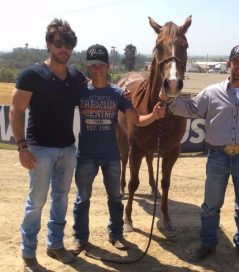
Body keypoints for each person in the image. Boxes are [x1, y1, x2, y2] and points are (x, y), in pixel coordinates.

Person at [160, 44, 239, 266]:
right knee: (211, 205)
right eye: (237, 61)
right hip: (217, 156)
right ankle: (208, 243)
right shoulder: (212, 92)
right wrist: (169, 100)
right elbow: (191, 108)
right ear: (229, 64)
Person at [72, 44, 165, 254]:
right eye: (93, 65)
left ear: (108, 66)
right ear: (88, 67)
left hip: (111, 156)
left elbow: (138, 120)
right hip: (86, 155)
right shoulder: (80, 91)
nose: (97, 69)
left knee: (115, 198)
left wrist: (155, 115)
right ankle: (79, 238)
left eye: (101, 65)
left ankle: (116, 234)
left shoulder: (119, 94)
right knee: (82, 199)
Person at [9, 18, 86, 271]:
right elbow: (16, 110)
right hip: (40, 150)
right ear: (49, 44)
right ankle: (28, 250)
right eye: (60, 43)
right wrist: (22, 147)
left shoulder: (75, 76)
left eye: (69, 44)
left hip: (67, 149)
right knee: (37, 202)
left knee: (61, 200)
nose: (65, 49)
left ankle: (55, 245)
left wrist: (123, 95)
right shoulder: (32, 74)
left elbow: (98, 90)